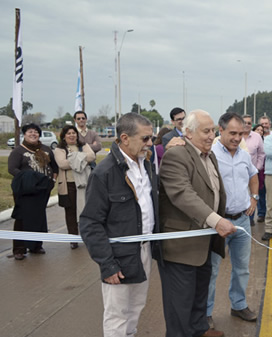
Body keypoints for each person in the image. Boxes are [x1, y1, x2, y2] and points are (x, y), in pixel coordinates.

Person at [158, 109, 236, 337]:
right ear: (188, 133)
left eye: (213, 130)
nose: (212, 135)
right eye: (206, 131)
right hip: (182, 245)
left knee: (199, 294)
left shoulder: (208, 155)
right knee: (180, 304)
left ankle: (199, 329)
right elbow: (182, 193)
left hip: (204, 241)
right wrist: (216, 220)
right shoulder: (176, 155)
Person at [79, 113, 158, 337]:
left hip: (143, 249)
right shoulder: (104, 173)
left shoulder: (147, 165)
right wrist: (107, 264)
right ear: (125, 138)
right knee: (117, 315)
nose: (150, 143)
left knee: (135, 308)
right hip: (119, 257)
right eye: (145, 138)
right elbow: (90, 223)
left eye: (151, 138)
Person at [207, 112, 259, 329]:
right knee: (212, 270)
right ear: (221, 130)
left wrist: (254, 198)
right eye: (233, 133)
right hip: (218, 223)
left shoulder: (244, 155)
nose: (238, 138)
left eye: (241, 133)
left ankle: (238, 305)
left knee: (242, 268)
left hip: (242, 221)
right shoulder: (209, 154)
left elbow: (253, 176)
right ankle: (206, 312)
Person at [8, 123, 58, 260]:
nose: (33, 134)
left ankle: (36, 245)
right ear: (25, 134)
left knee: (39, 218)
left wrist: (51, 181)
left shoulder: (46, 149)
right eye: (30, 132)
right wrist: (29, 178)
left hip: (42, 191)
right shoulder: (18, 151)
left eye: (36, 132)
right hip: (25, 191)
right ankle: (19, 248)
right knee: (22, 219)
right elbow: (12, 169)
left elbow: (54, 167)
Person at [54, 125, 95, 249]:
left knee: (86, 211)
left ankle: (88, 236)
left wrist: (74, 158)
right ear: (64, 136)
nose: (72, 135)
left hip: (85, 184)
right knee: (71, 213)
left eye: (73, 133)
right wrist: (81, 158)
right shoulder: (59, 149)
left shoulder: (84, 146)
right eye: (68, 133)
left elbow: (92, 156)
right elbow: (62, 164)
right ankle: (73, 238)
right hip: (69, 184)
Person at [242, 114, 265, 226]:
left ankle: (250, 219)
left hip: (252, 173)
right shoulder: (236, 136)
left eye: (249, 123)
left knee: (253, 195)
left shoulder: (257, 137)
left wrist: (257, 168)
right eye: (244, 122)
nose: (246, 125)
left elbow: (261, 154)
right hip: (238, 173)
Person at [253, 124, 267, 222]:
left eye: (261, 130)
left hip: (262, 171)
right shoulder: (249, 141)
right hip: (252, 170)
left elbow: (263, 154)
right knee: (253, 193)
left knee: (261, 193)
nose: (260, 131)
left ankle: (262, 213)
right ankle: (251, 215)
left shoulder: (265, 141)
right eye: (258, 129)